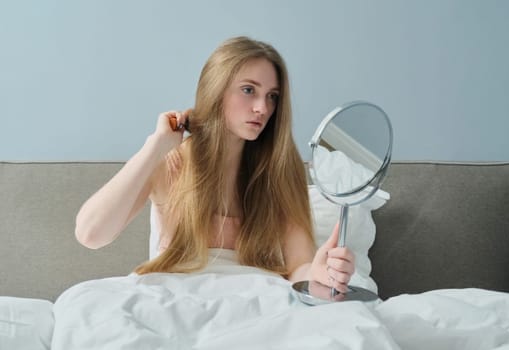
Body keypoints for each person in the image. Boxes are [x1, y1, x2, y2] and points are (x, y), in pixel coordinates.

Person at [75, 36, 354, 293]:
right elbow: (91, 234)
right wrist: (154, 147)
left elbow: (299, 267)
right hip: (176, 298)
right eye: (248, 90)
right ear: (215, 90)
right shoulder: (171, 161)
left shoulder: (279, 167)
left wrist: (318, 272)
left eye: (272, 96)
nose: (263, 108)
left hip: (255, 299)